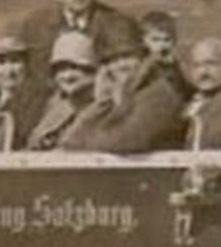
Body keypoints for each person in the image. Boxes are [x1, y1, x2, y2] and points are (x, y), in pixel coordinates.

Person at [14, 0, 138, 135]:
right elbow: (30, 81)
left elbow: (128, 78)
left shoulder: (118, 24)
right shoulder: (35, 27)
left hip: (100, 118)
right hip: (45, 118)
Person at [59, 26, 187, 153]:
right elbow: (69, 140)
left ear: (143, 57)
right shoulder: (117, 95)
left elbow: (121, 141)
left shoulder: (160, 96)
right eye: (112, 59)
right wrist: (100, 103)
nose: (121, 63)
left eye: (127, 55)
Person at [25, 32, 99, 150]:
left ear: (91, 71)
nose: (67, 76)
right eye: (61, 69)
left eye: (75, 68)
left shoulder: (101, 108)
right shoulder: (54, 107)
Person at [0, 34, 32, 151]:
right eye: (1, 63)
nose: (9, 70)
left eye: (15, 61)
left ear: (26, 65)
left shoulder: (38, 105)